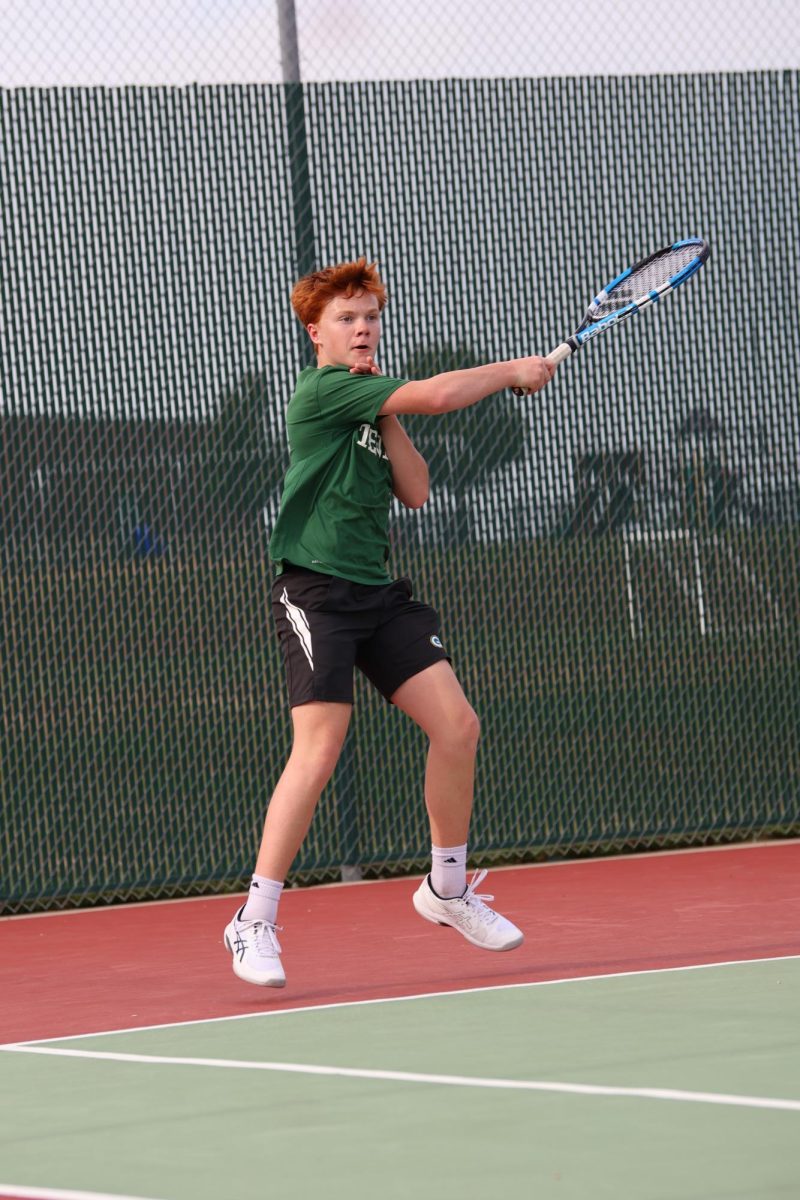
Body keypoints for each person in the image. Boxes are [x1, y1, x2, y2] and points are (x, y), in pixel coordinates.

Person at [224, 257, 555, 987]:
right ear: (316, 332)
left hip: (378, 592)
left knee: (458, 727)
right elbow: (439, 394)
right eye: (347, 318)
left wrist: (388, 409)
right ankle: (253, 920)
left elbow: (415, 489)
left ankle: (445, 889)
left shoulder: (369, 403)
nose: (364, 327)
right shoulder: (321, 392)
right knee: (319, 751)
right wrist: (509, 372)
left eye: (371, 315)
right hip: (315, 592)